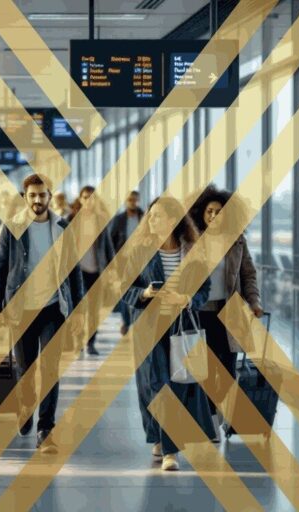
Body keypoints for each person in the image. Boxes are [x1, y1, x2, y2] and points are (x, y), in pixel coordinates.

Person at [0, 174, 84, 453]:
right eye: (32, 195)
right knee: (25, 369)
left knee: (50, 369)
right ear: (25, 196)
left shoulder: (63, 228)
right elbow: (0, 268)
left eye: (42, 195)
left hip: (54, 308)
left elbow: (73, 271)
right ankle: (25, 407)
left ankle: (46, 428)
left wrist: (77, 312)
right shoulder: (13, 228)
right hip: (21, 310)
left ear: (50, 195)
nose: (38, 200)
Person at [122, 196, 214, 472]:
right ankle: (170, 451)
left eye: (158, 216)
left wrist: (188, 299)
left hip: (181, 326)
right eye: (150, 216)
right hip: (149, 327)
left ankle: (160, 436)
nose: (151, 220)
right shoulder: (139, 251)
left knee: (178, 385)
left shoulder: (192, 251)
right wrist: (144, 293)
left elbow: (205, 289)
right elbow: (124, 290)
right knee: (156, 385)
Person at [189, 185, 262, 439]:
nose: (213, 216)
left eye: (218, 212)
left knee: (228, 366)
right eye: (209, 211)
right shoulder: (193, 240)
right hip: (200, 312)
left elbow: (248, 274)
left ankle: (225, 416)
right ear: (201, 213)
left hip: (229, 311)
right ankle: (211, 422)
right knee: (207, 369)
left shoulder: (236, 240)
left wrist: (254, 302)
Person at [68, 186, 115, 355]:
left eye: (91, 197)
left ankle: (91, 343)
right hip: (78, 272)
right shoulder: (72, 220)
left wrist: (112, 269)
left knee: (94, 311)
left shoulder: (101, 219)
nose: (88, 201)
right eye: (85, 197)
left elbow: (108, 246)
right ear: (80, 199)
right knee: (78, 310)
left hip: (97, 271)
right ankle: (78, 341)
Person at [109, 191, 145, 335]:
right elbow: (111, 242)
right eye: (130, 200)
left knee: (141, 292)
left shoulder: (145, 217)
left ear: (139, 201)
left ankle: (137, 322)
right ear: (125, 201)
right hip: (123, 263)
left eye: (135, 200)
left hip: (142, 262)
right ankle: (126, 321)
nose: (133, 202)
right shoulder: (118, 220)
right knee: (125, 293)